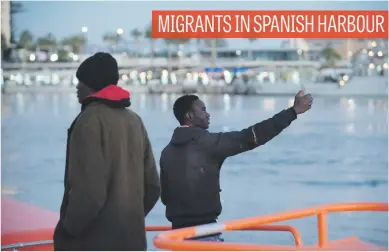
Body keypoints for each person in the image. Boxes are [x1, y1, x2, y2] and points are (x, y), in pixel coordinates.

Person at [159, 91, 313, 241]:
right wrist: (293, 112)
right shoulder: (208, 143)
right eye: (203, 110)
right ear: (190, 116)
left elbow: (165, 196)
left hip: (176, 237)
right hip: (204, 233)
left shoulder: (167, 152)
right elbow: (251, 136)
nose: (208, 114)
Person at [53, 52, 160, 251]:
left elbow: (89, 193)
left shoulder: (88, 121)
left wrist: (68, 230)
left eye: (81, 81)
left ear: (92, 83)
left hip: (93, 243)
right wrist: (128, 220)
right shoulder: (135, 120)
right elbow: (153, 186)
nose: (77, 87)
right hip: (132, 241)